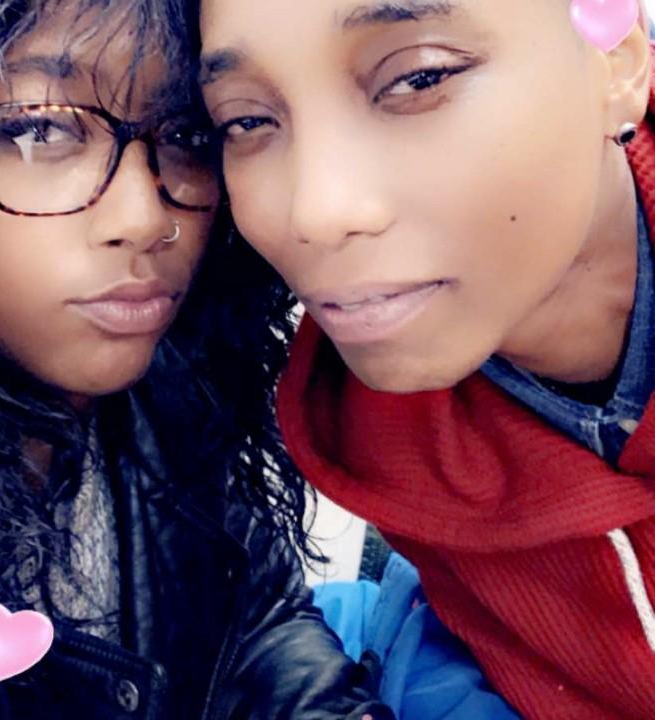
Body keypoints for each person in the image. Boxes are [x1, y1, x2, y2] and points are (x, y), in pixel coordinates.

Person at [0, 1, 396, 718]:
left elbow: (257, 619)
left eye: (186, 135)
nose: (145, 219)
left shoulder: (177, 393)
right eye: (41, 128)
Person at [196, 0, 655, 717]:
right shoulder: (368, 434)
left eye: (418, 78)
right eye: (246, 122)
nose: (314, 213)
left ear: (617, 61)